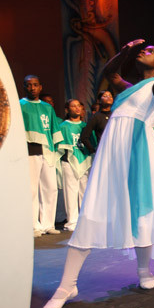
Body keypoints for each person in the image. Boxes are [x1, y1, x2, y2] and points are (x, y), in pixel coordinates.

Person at [42, 39, 154, 308]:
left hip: (137, 149)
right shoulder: (128, 87)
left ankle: (144, 270)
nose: (145, 51)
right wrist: (123, 53)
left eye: (152, 51)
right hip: (113, 151)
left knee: (141, 208)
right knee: (92, 209)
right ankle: (66, 286)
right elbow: (110, 74)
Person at [20, 75, 63, 238]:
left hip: (47, 148)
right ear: (24, 87)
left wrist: (55, 146)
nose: (32, 88)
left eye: (35, 85)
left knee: (50, 187)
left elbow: (53, 128)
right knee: (32, 189)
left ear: (40, 87)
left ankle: (48, 224)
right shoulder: (20, 105)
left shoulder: (47, 107)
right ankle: (33, 225)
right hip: (31, 149)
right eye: (29, 85)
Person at [58, 99, 92, 231]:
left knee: (84, 191)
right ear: (67, 109)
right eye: (73, 106)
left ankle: (84, 219)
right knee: (70, 192)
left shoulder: (85, 126)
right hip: (69, 161)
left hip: (84, 160)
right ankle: (72, 221)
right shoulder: (63, 126)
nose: (77, 108)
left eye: (79, 105)